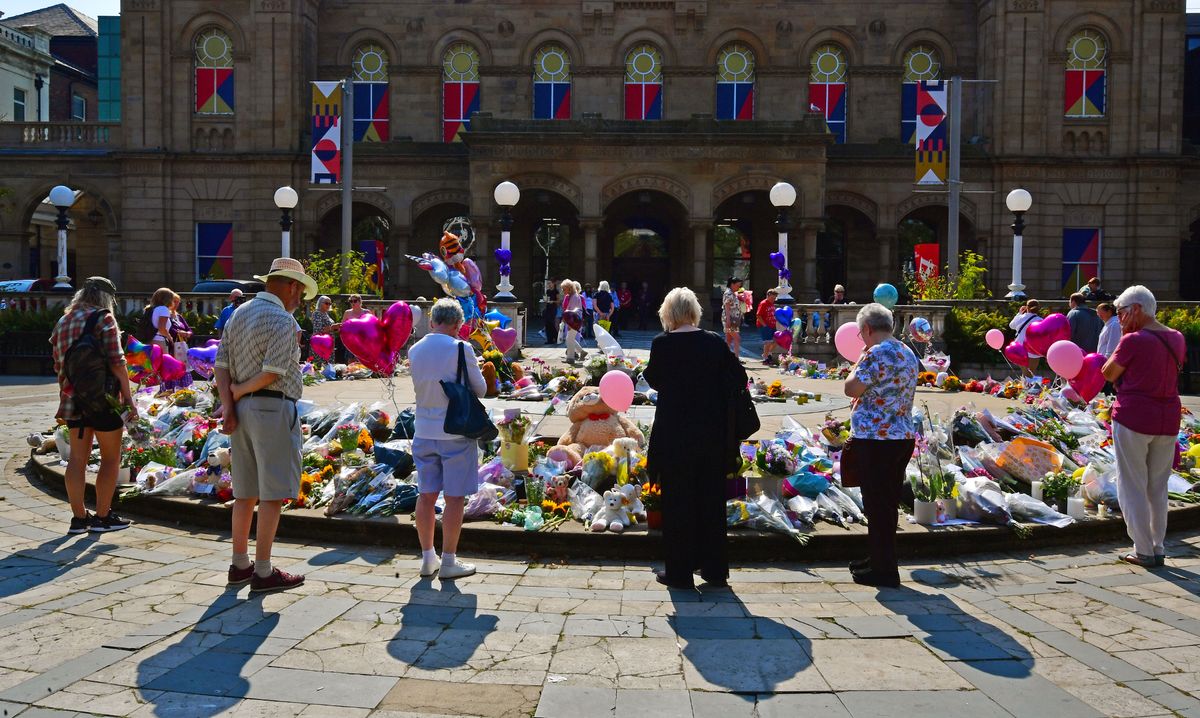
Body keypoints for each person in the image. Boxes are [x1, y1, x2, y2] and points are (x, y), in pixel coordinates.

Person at [215, 257, 318, 593]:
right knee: (272, 493)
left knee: (245, 492)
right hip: (271, 408)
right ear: (292, 286)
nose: (299, 299)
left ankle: (239, 564)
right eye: (300, 292)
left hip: (242, 411)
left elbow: (221, 365)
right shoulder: (283, 320)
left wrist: (230, 404)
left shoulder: (238, 313)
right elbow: (273, 373)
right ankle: (262, 570)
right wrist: (240, 390)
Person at [644, 287, 747, 589]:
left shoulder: (662, 344)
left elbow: (653, 379)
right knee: (711, 502)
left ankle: (679, 572)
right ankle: (715, 570)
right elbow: (739, 378)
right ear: (694, 311)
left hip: (675, 434)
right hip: (712, 434)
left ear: (668, 313)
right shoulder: (713, 342)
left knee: (678, 503)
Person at [1102, 286, 1185, 568]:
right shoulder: (1176, 337)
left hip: (1134, 416)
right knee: (1158, 487)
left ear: (1136, 309)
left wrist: (1123, 337)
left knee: (1132, 485)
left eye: (1122, 313)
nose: (1120, 319)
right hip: (1167, 418)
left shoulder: (1133, 340)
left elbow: (1108, 372)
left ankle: (1143, 549)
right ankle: (1157, 546)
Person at [409, 298, 488, 580]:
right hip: (455, 430)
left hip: (423, 430)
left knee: (426, 495)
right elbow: (480, 389)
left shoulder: (415, 349)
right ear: (458, 324)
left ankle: (427, 557)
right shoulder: (461, 348)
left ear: (432, 322)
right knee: (455, 498)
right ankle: (449, 561)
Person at [842, 303, 919, 588]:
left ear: (866, 328)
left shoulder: (876, 353)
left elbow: (851, 388)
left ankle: (884, 570)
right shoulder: (906, 351)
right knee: (886, 504)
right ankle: (879, 559)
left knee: (877, 506)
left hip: (877, 439)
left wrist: (859, 360)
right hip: (901, 437)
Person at [50, 277, 136, 534]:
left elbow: (58, 366)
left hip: (73, 400)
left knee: (77, 459)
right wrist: (129, 399)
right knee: (110, 458)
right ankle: (103, 516)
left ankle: (79, 519)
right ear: (106, 299)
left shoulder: (63, 321)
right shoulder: (103, 319)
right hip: (104, 401)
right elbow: (117, 363)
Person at [1009, 299, 1043, 375]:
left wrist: (1019, 313)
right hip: (1033, 349)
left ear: (1027, 307)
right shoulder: (1041, 320)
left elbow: (1011, 325)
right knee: (1030, 373)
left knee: (1025, 372)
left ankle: (1024, 381)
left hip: (1019, 347)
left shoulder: (1020, 317)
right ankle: (1026, 381)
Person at [561, 279, 586, 362]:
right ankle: (582, 352)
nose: (563, 291)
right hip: (575, 320)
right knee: (569, 338)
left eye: (564, 289)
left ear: (569, 288)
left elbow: (572, 312)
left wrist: (570, 324)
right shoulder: (573, 296)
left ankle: (570, 358)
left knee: (569, 339)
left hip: (574, 321)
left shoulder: (574, 297)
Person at [721, 277, 744, 356]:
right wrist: (728, 320)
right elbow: (727, 307)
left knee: (729, 339)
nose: (739, 287)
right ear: (732, 284)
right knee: (737, 338)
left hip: (734, 319)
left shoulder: (734, 293)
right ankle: (736, 358)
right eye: (737, 285)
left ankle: (726, 357)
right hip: (730, 319)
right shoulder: (729, 293)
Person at [756, 288, 779, 364]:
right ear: (768, 296)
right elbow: (758, 315)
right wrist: (764, 325)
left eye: (774, 298)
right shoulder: (763, 303)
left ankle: (768, 353)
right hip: (765, 326)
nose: (773, 300)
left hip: (772, 325)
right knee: (768, 342)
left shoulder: (772, 304)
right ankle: (765, 358)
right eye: (772, 298)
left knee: (776, 341)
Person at [542, 277, 560, 345]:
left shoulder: (556, 291)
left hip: (553, 308)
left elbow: (558, 301)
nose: (549, 285)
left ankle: (556, 337)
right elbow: (547, 299)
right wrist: (545, 300)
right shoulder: (548, 291)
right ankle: (549, 339)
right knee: (547, 324)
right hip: (548, 308)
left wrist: (553, 301)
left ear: (553, 283)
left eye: (550, 283)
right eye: (548, 283)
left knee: (551, 323)